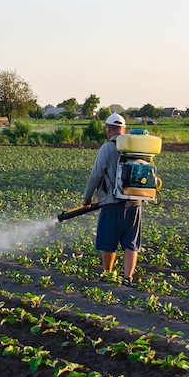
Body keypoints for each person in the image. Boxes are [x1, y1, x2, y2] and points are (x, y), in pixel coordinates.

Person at [82, 113, 143, 282]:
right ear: (124, 129)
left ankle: (107, 275)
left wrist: (87, 197)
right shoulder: (136, 146)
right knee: (131, 242)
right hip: (135, 202)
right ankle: (128, 277)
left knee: (109, 240)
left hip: (113, 201)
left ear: (108, 129)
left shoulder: (108, 148)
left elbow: (96, 175)